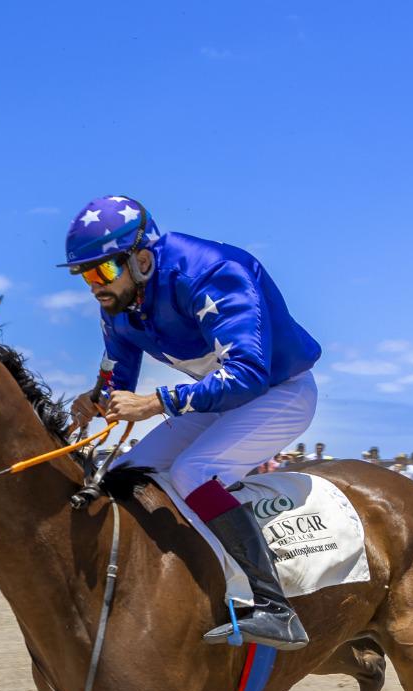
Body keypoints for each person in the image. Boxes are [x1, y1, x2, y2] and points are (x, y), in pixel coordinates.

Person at [60, 195, 319, 649]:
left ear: (141, 258)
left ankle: (275, 606)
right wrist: (94, 400)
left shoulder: (212, 272)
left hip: (280, 392)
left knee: (192, 471)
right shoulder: (119, 303)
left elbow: (248, 374)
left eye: (101, 271)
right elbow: (116, 380)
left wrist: (156, 402)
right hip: (217, 399)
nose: (94, 286)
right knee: (122, 476)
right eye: (85, 275)